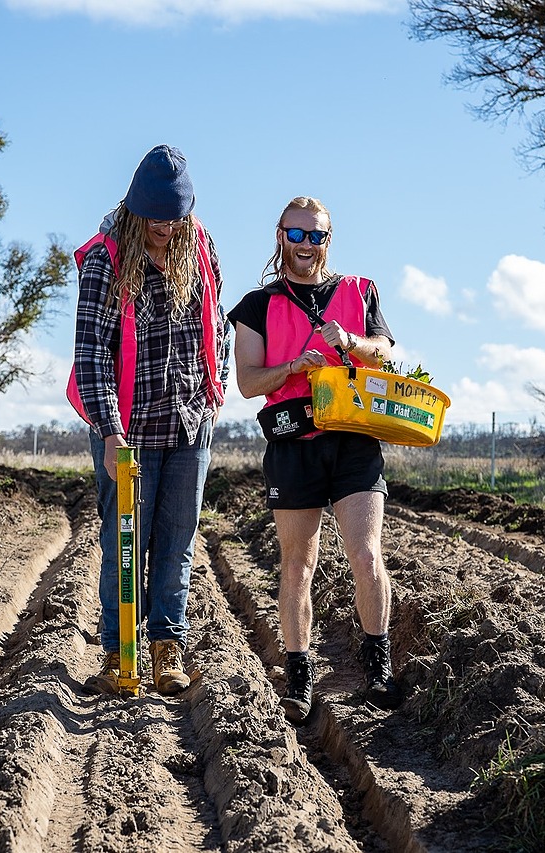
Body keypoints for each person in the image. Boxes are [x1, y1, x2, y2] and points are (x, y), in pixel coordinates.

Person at [227, 196, 400, 724]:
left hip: (353, 439)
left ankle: (379, 668)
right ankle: (298, 677)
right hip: (291, 443)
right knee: (297, 562)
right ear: (280, 234)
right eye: (296, 234)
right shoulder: (258, 304)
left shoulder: (359, 291)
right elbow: (247, 383)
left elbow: (387, 351)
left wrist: (350, 342)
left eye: (316, 235)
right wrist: (291, 367)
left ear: (329, 238)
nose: (306, 245)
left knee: (365, 553)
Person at [71, 144, 227, 696]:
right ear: (137, 210)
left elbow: (218, 323)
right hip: (128, 429)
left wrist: (217, 386)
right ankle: (119, 652)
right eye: (155, 219)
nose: (165, 229)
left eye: (175, 218)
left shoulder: (199, 247)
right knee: (124, 540)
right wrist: (111, 433)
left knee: (177, 539)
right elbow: (91, 352)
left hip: (190, 421)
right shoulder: (106, 259)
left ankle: (166, 646)